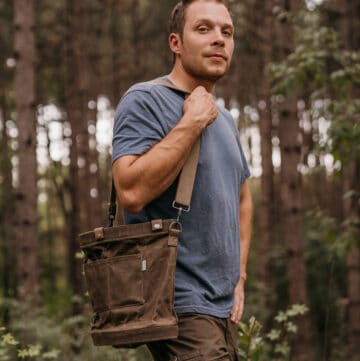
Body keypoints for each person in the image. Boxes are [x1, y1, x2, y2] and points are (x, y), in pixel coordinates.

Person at [112, 0, 253, 359]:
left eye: (227, 32)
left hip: (224, 310)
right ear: (176, 43)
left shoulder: (225, 119)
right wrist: (190, 122)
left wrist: (240, 279)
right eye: (204, 29)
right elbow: (130, 191)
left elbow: (242, 198)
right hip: (180, 303)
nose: (219, 40)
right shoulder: (145, 99)